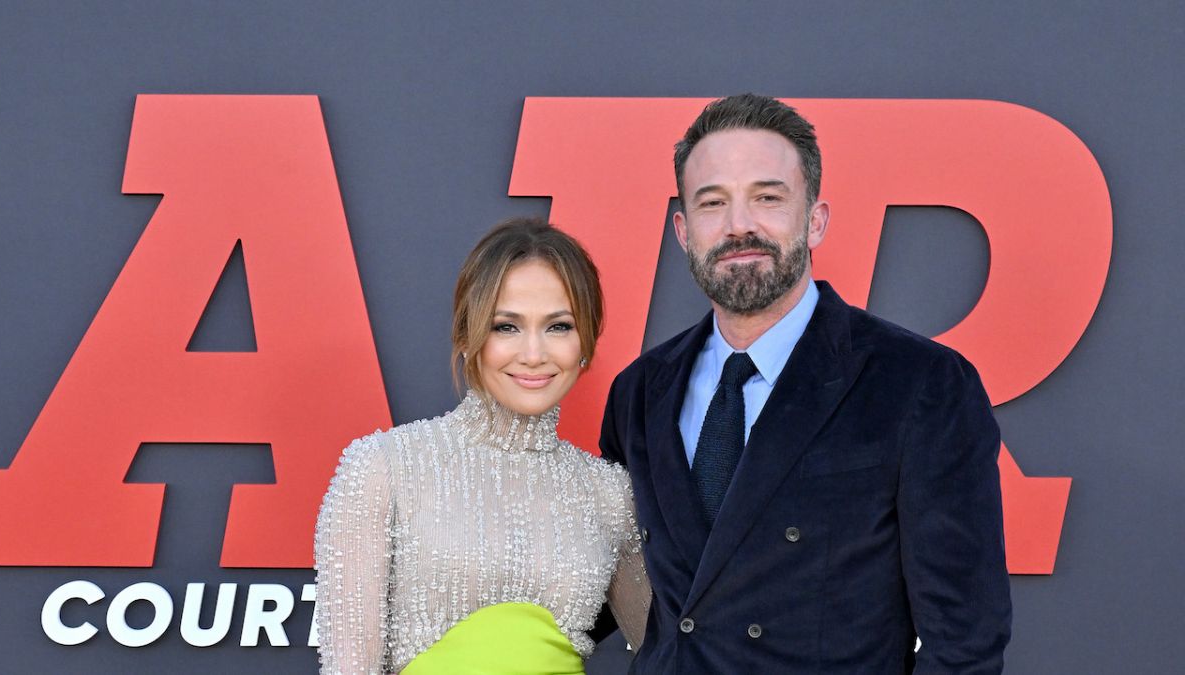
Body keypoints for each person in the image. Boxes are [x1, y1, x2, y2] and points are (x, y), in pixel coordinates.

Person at [599, 94, 1011, 673]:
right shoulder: (639, 393)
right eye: (713, 203)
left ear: (815, 220)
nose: (739, 225)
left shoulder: (920, 385)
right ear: (683, 231)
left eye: (768, 198)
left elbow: (964, 643)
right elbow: (598, 589)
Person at [314, 217, 650, 674]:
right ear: (467, 335)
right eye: (506, 327)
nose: (534, 354)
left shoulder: (609, 495)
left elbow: (670, 650)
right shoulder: (382, 469)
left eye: (558, 326)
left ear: (586, 341)